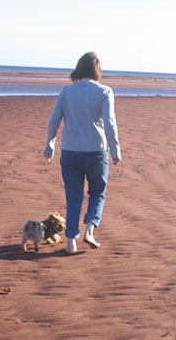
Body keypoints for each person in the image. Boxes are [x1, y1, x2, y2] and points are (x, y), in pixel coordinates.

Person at [43, 52, 121, 254]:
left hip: (69, 151)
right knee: (97, 193)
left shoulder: (66, 92)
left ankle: (71, 243)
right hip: (96, 151)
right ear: (97, 72)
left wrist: (49, 145)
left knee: (73, 197)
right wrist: (115, 150)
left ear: (79, 69)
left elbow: (54, 120)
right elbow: (110, 123)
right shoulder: (105, 92)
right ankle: (89, 231)